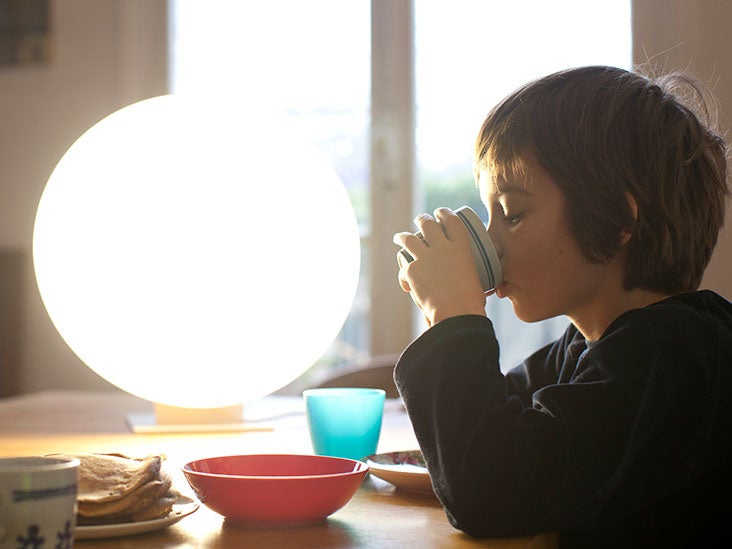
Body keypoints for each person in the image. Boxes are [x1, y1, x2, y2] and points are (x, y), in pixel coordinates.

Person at [392, 65, 732, 548]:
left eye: (513, 214)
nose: (492, 243)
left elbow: (491, 493)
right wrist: (444, 311)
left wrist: (455, 314)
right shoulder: (592, 338)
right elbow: (486, 431)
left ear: (617, 219)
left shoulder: (676, 356)